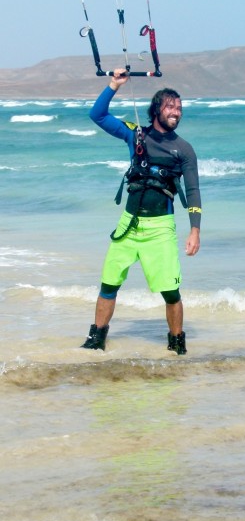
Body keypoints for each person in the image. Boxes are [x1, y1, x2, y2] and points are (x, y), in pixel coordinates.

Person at [81, 68, 202, 354]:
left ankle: (176, 344)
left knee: (170, 292)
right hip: (128, 224)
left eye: (180, 108)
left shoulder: (184, 150)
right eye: (171, 107)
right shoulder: (136, 134)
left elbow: (194, 191)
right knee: (109, 283)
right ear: (156, 110)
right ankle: (97, 338)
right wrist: (114, 85)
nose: (176, 112)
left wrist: (195, 229)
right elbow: (97, 115)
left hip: (161, 228)